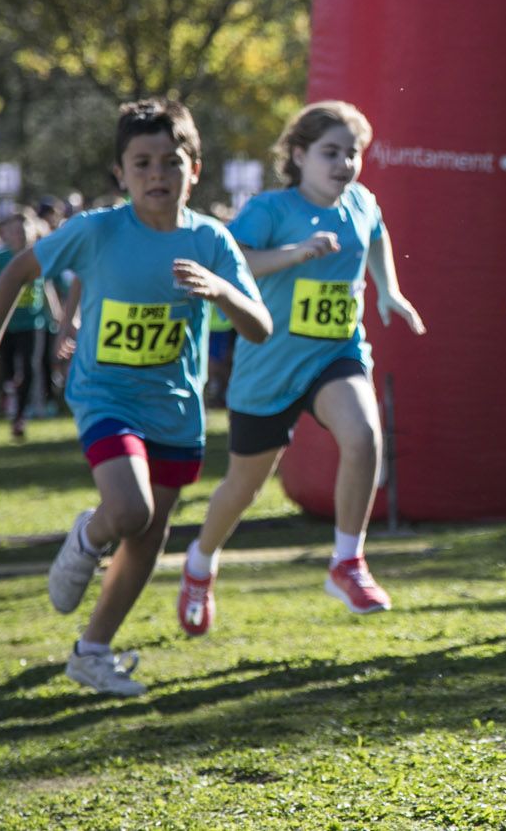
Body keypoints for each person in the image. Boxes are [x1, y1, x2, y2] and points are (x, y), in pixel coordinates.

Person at [0, 99, 271, 697]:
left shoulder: (213, 240)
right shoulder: (97, 230)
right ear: (120, 173)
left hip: (174, 407)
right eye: (142, 163)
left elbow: (259, 327)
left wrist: (221, 290)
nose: (157, 174)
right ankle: (88, 537)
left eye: (171, 161)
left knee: (148, 536)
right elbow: (15, 272)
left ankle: (92, 652)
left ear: (195, 168)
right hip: (105, 396)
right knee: (130, 510)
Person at [176, 101, 425, 636]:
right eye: (330, 152)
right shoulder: (271, 210)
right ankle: (200, 563)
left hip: (337, 354)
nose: (344, 164)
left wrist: (390, 292)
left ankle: (347, 561)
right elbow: (232, 263)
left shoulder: (361, 202)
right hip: (269, 366)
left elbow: (376, 234)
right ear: (298, 155)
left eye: (352, 153)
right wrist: (295, 254)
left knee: (363, 437)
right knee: (243, 488)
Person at [0, 209, 54, 438]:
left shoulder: (40, 256)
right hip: (6, 325)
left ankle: (20, 416)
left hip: (33, 322)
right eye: (14, 231)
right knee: (9, 372)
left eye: (23, 230)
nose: (19, 235)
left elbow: (46, 285)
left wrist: (56, 313)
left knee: (30, 368)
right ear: (6, 235)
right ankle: (9, 399)